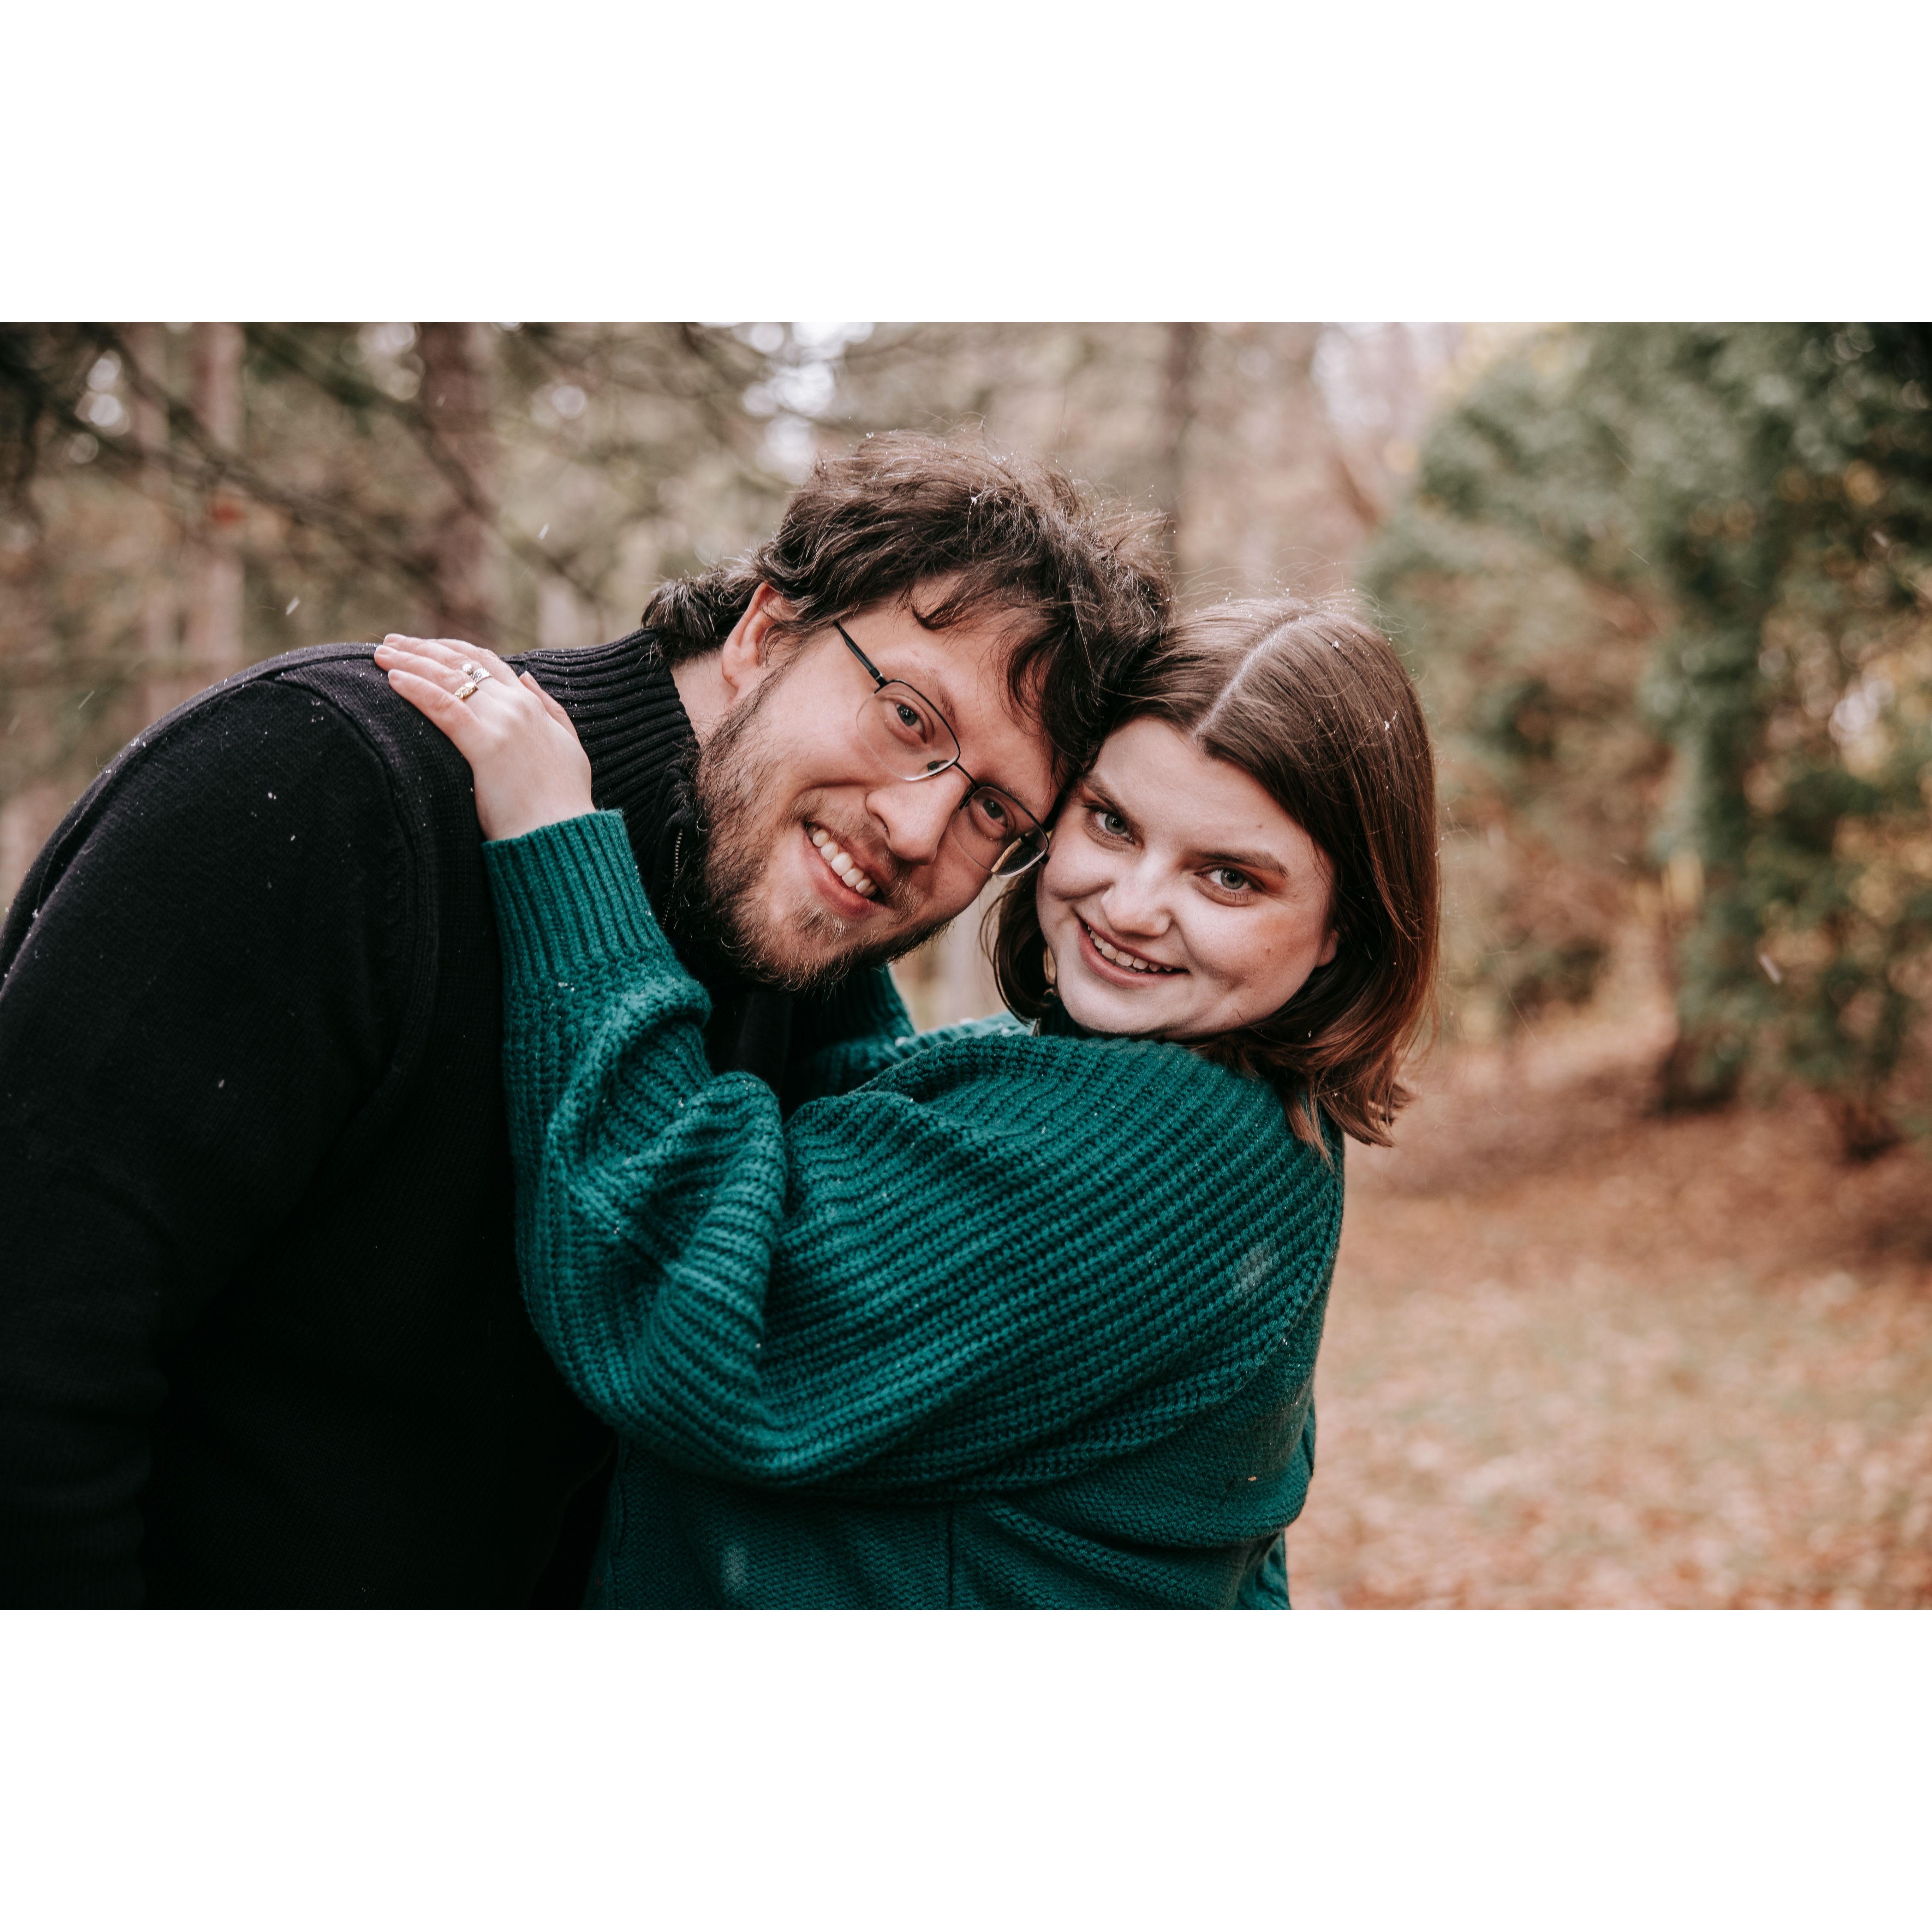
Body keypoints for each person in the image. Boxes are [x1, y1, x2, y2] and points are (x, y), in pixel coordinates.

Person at [0, 435, 1168, 1607]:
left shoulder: (792, 970)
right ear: (766, 634)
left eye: (993, 812)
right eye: (909, 718)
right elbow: (36, 1363)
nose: (919, 831)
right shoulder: (330, 784)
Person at [380, 593, 1439, 1608]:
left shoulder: (1175, 1153)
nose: (1132, 905)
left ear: (1344, 928)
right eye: (1112, 822)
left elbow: (690, 1304)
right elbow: (880, 1141)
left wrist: (557, 845)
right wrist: (823, 884)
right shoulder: (1221, 1093)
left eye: (1230, 879)